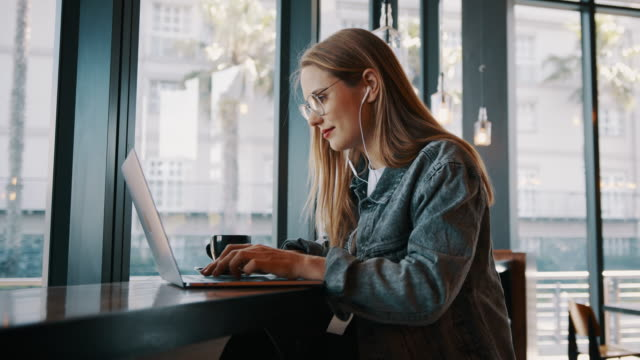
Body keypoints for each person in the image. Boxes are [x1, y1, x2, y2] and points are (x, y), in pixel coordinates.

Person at [201, 28, 515, 359]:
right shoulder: (366, 179)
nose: (313, 119)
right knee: (252, 344)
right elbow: (363, 259)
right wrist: (275, 257)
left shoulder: (444, 164)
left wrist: (301, 265)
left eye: (321, 97)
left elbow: (426, 290)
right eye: (310, 105)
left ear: (370, 85)